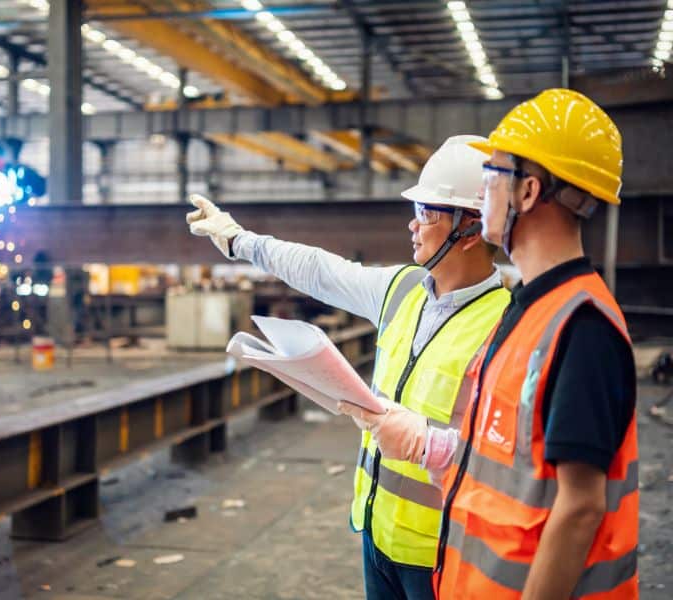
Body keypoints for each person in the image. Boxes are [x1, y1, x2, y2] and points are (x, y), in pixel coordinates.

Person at [342, 89, 639, 599]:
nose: (482, 196)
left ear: (526, 192)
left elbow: (580, 507)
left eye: (492, 176)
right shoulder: (524, 307)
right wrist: (430, 444)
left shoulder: (581, 328)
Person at [186, 135, 511, 600]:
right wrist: (239, 240)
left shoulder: (506, 326)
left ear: (471, 230)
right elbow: (320, 270)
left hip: (444, 553)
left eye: (427, 214)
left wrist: (426, 443)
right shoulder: (401, 290)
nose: (412, 226)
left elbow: (511, 458)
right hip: (376, 531)